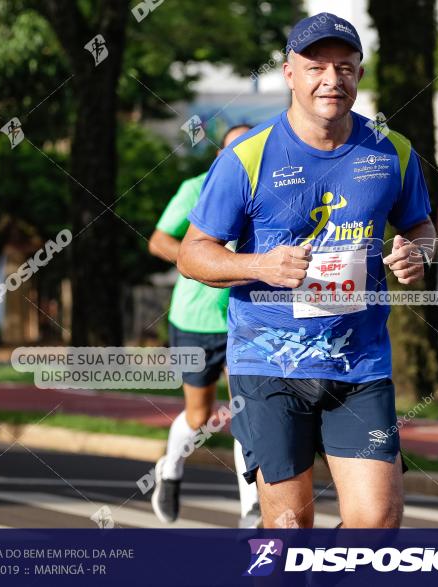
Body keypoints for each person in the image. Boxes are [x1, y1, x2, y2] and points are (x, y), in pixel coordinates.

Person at [177, 12, 436, 528]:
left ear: (360, 75)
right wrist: (260, 265)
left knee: (378, 520)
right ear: (289, 72)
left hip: (360, 365)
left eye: (344, 67)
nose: (331, 79)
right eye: (316, 66)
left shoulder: (392, 152)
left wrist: (419, 254)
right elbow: (192, 253)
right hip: (269, 366)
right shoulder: (247, 158)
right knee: (290, 528)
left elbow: (423, 229)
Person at [148, 123, 261, 527]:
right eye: (235, 151)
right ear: (220, 156)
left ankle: (251, 507)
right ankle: (170, 470)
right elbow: (158, 240)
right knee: (200, 418)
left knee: (248, 413)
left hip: (246, 320)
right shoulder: (197, 188)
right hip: (195, 319)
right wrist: (203, 257)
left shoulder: (271, 187)